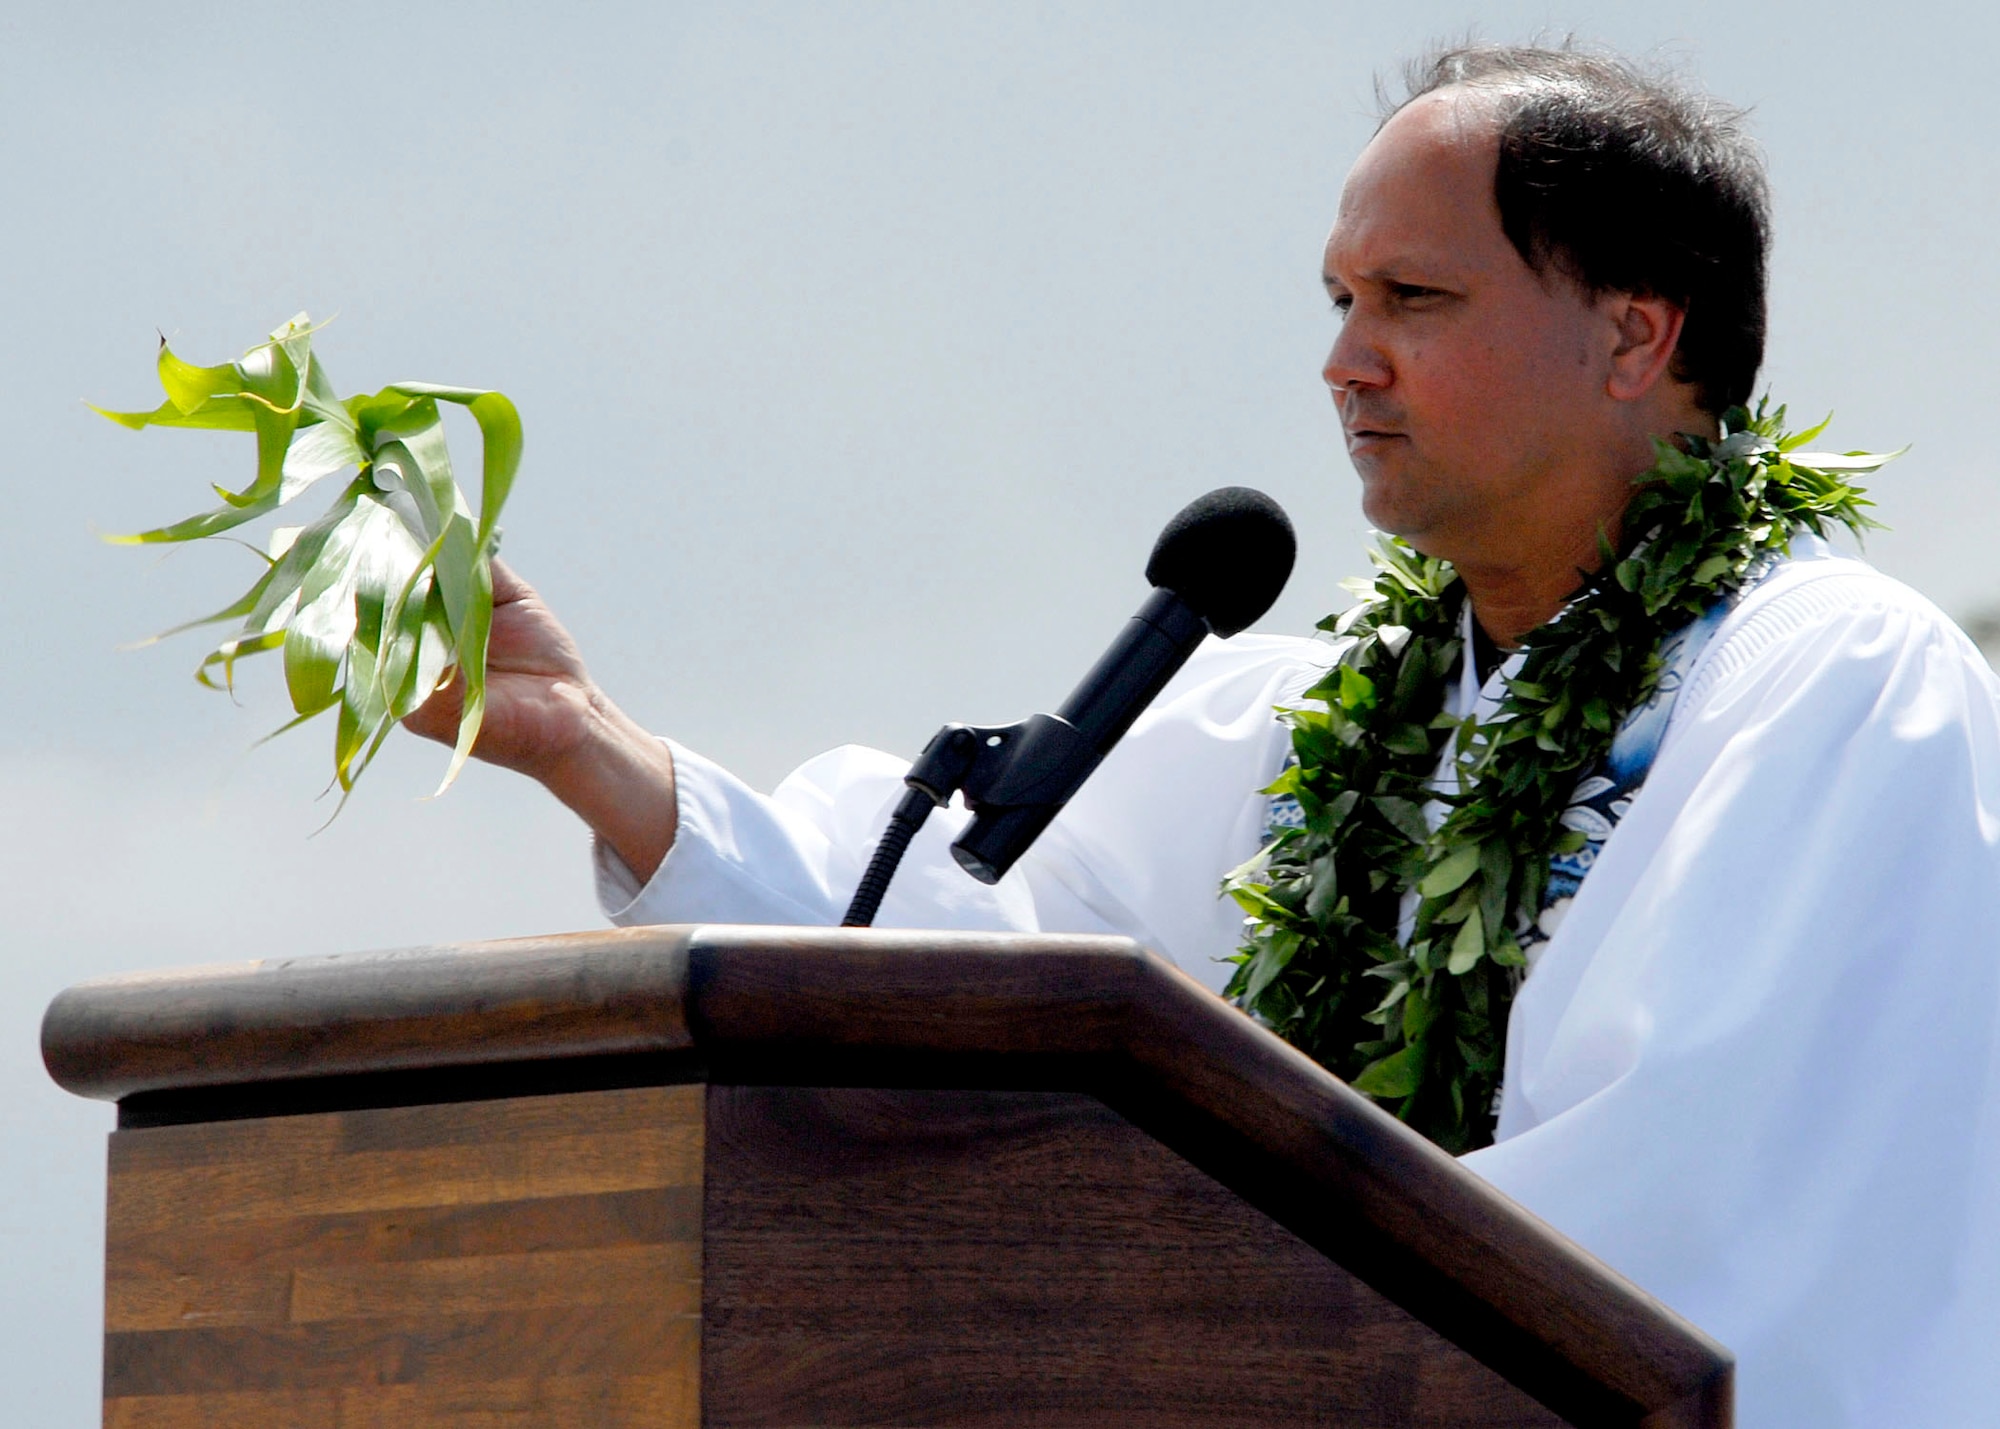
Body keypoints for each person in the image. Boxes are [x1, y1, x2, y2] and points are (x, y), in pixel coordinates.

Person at [407, 44, 2000, 1427]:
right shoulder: (1311, 724)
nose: (1343, 361)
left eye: (1414, 300)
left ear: (1638, 337)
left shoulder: (1840, 684)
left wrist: (1160, 1302)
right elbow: (971, 946)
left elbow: (1677, 1222)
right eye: (1340, 299)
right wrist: (590, 746)